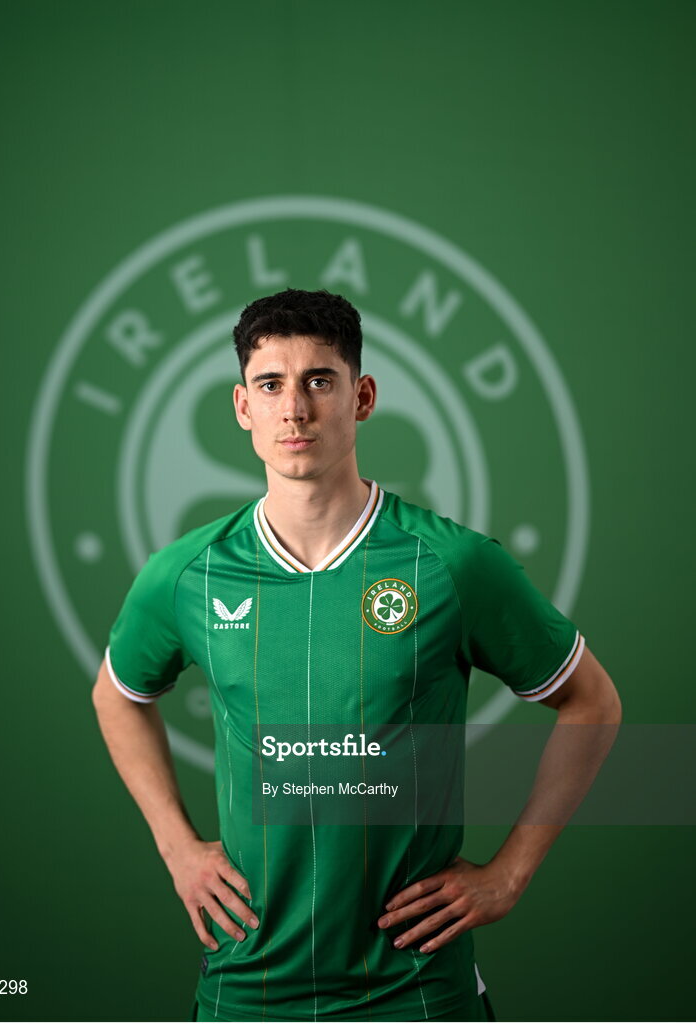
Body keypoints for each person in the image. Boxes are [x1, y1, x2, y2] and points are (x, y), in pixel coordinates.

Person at [92, 288, 621, 1022]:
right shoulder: (188, 573)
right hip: (249, 983)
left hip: (415, 988)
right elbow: (117, 693)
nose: (295, 409)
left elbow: (591, 701)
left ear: (362, 396)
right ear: (242, 408)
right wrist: (177, 845)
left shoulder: (452, 565)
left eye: (320, 381)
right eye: (270, 385)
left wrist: (508, 876)